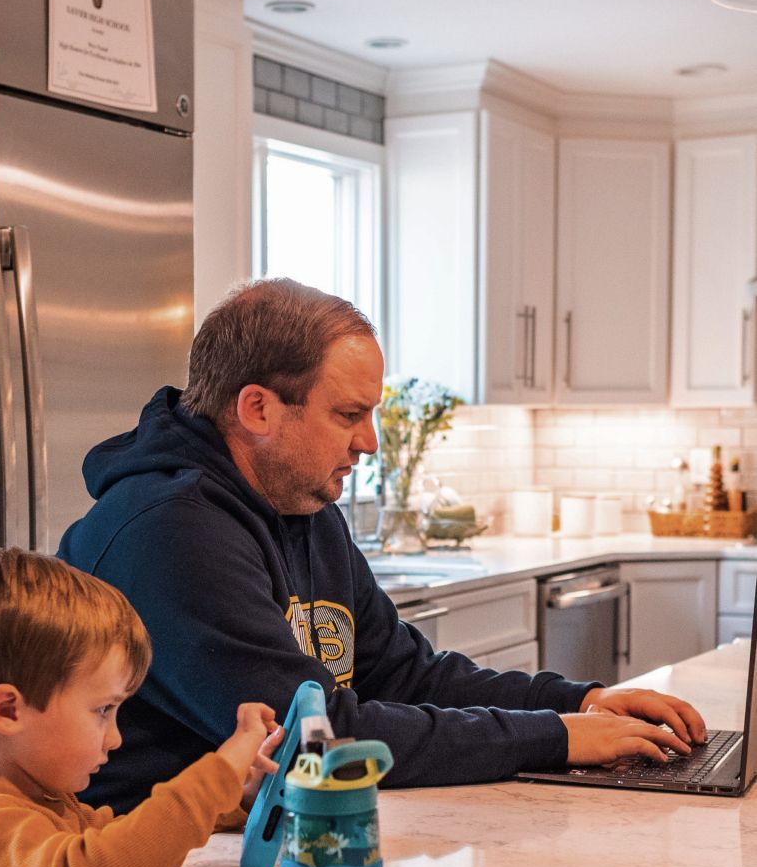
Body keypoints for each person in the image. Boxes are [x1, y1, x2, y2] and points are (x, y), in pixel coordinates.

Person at [58, 277, 706, 815]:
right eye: (348, 414)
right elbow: (318, 740)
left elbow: (404, 673)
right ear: (257, 409)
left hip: (245, 849)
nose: (369, 441)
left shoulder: (301, 505)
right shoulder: (172, 533)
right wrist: (557, 737)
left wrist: (577, 702)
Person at [0, 540, 280, 867]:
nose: (116, 738)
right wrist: (218, 774)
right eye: (103, 710)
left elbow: (126, 840)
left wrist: (234, 796)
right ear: (8, 711)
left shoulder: (42, 798)